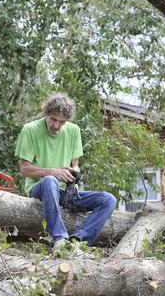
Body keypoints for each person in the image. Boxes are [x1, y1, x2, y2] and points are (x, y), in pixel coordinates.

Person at [15, 93, 116, 249]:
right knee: (50, 180)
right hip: (40, 189)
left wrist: (73, 175)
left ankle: (78, 242)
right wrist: (53, 172)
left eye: (62, 122)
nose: (56, 125)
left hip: (64, 192)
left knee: (108, 199)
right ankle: (59, 239)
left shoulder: (74, 131)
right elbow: (25, 170)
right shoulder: (30, 130)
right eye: (53, 119)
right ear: (46, 114)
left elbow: (76, 165)